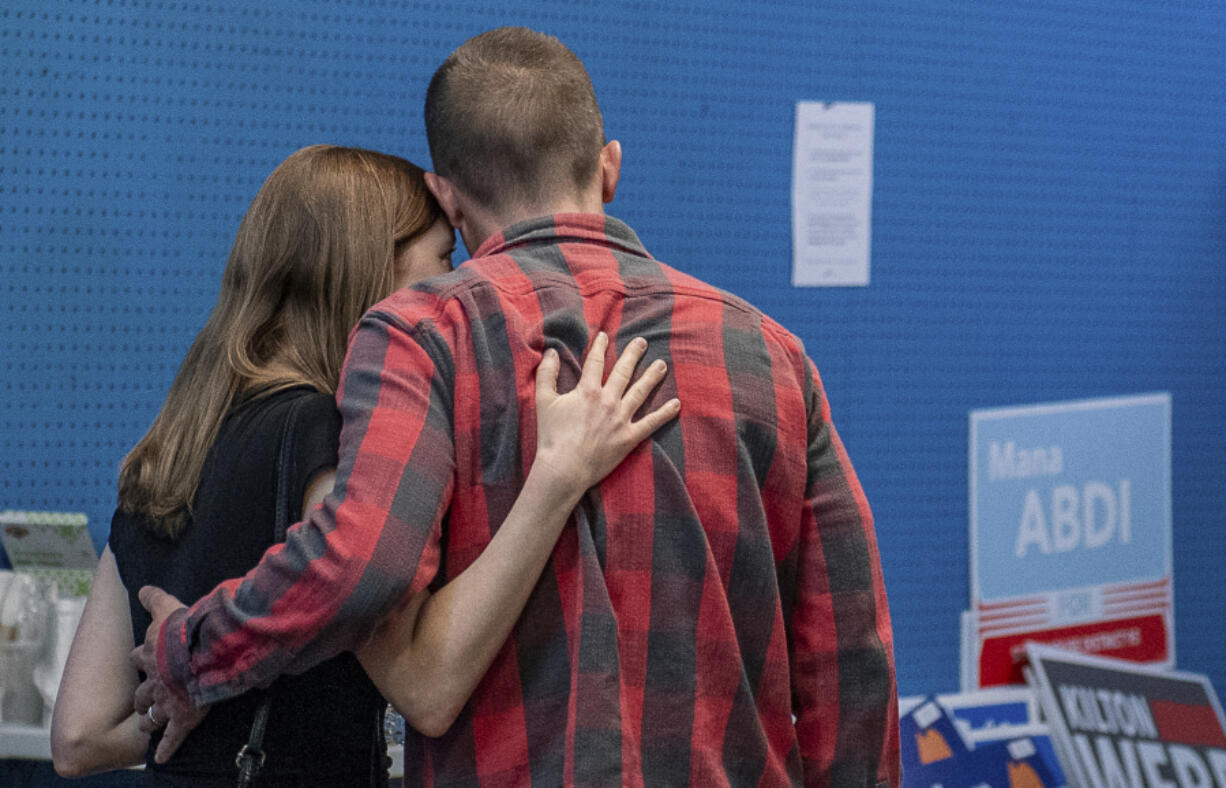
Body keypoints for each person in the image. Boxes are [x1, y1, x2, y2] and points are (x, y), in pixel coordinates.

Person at [134, 27, 900, 787]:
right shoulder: (770, 356)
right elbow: (849, 653)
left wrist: (189, 653)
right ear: (609, 169)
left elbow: (361, 565)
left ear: (446, 195)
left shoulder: (424, 335)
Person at [50, 144, 679, 784]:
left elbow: (79, 737)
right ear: (366, 268)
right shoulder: (327, 432)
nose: (450, 288)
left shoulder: (167, 451)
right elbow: (428, 687)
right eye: (441, 260)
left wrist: (198, 686)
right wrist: (557, 476)